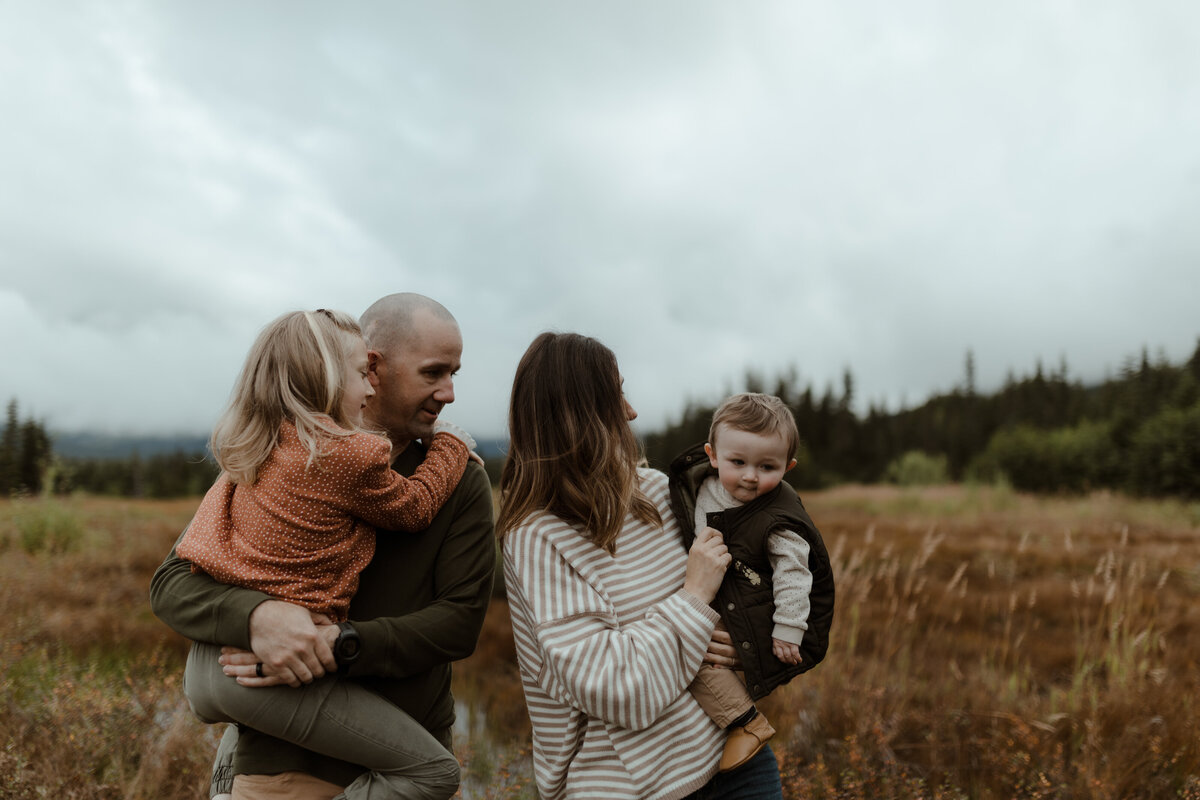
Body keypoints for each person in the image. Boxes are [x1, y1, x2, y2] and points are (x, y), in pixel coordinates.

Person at [150, 293, 495, 800]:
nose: (448, 394)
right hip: (280, 768)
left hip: (402, 767)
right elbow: (172, 583)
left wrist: (338, 645)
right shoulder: (273, 454)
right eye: (432, 373)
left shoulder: (460, 481)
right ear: (372, 368)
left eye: (454, 375)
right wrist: (258, 617)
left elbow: (459, 623)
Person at [497, 331, 785, 800]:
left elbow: (747, 585)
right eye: (617, 395)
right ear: (580, 415)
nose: (630, 412)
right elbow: (618, 689)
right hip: (631, 786)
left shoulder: (656, 491)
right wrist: (694, 597)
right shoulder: (536, 537)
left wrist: (744, 642)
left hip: (737, 760)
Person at [667, 393, 835, 773]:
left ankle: (746, 724)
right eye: (737, 462)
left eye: (767, 466)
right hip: (715, 594)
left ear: (788, 466)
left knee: (693, 656)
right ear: (712, 455)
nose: (749, 476)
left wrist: (788, 629)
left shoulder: (778, 520)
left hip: (744, 604)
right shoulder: (703, 484)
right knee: (682, 649)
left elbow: (795, 573)